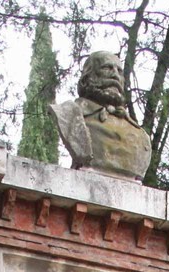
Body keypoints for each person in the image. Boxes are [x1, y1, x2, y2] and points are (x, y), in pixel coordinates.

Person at [50, 51, 153, 180]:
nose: (115, 75)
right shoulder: (69, 115)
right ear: (87, 77)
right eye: (107, 68)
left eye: (119, 71)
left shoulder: (140, 136)